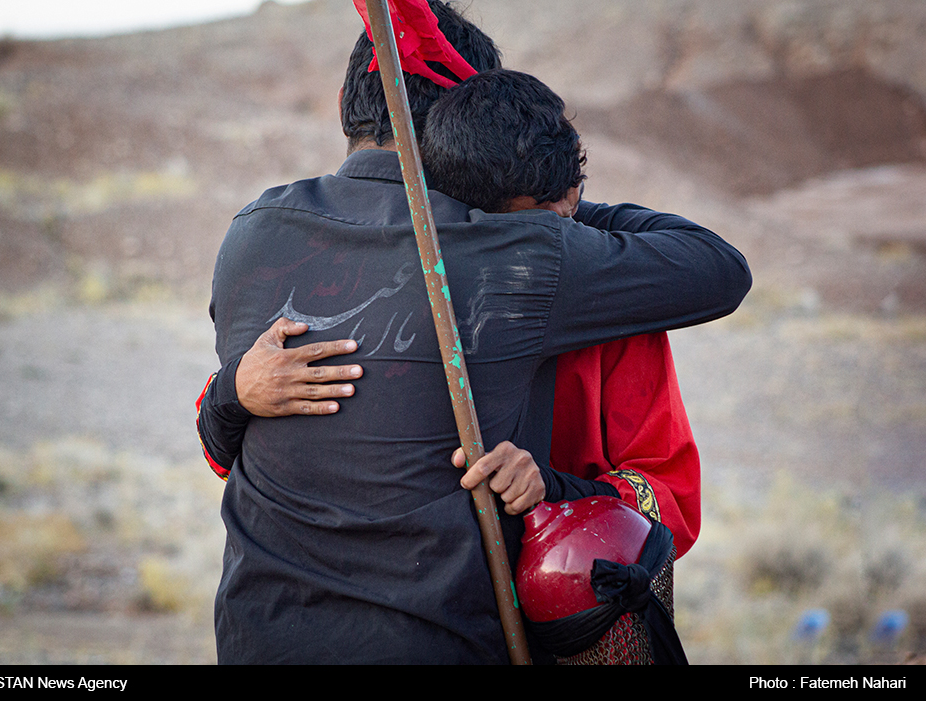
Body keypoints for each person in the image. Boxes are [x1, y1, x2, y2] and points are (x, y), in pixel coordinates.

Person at [200, 2, 750, 664]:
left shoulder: (250, 233)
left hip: (257, 637)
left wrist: (230, 390)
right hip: (435, 643)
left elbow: (227, 446)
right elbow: (719, 269)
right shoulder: (515, 256)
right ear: (470, 123)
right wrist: (562, 201)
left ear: (347, 102)